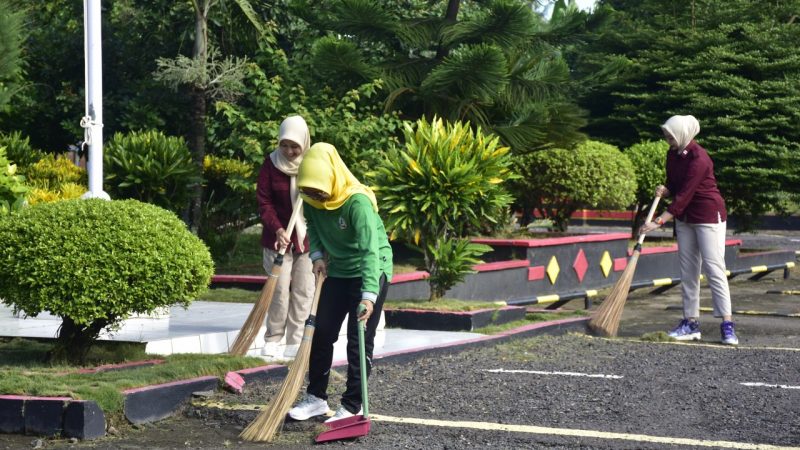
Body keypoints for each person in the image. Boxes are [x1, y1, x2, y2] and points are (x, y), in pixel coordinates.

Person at [287, 142, 393, 423]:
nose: (315, 197)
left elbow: (370, 250)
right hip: (338, 270)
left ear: (331, 178)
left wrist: (369, 295)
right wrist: (317, 256)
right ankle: (316, 398)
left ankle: (352, 404)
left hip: (371, 269)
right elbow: (313, 228)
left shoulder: (357, 202)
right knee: (321, 331)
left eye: (319, 191)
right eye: (310, 191)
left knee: (358, 338)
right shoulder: (310, 199)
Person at [640, 114, 738, 345]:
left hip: (707, 215)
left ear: (682, 134)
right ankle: (690, 323)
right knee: (688, 271)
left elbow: (684, 196)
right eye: (666, 136)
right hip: (685, 218)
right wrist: (666, 189)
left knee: (714, 268)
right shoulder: (672, 154)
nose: (668, 140)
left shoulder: (699, 158)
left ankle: (727, 325)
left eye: (670, 136)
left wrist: (658, 221)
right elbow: (676, 186)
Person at [256, 115, 315, 359]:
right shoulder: (270, 165)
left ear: (304, 143)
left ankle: (295, 341)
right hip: (277, 239)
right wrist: (278, 229)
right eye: (284, 145)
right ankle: (273, 338)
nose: (289, 152)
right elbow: (264, 202)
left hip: (307, 240)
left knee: (304, 291)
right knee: (278, 291)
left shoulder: (312, 164)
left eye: (295, 146)